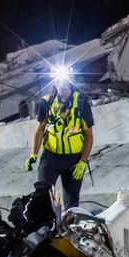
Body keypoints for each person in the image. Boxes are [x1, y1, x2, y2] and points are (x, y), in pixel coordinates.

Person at [24, 69, 94, 208]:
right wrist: (34, 154)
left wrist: (82, 161)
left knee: (72, 203)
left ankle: (69, 220)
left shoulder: (81, 102)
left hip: (74, 159)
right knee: (43, 196)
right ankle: (46, 221)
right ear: (54, 82)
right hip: (51, 157)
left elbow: (89, 135)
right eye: (59, 80)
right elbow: (40, 129)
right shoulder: (47, 102)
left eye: (65, 81)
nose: (62, 84)